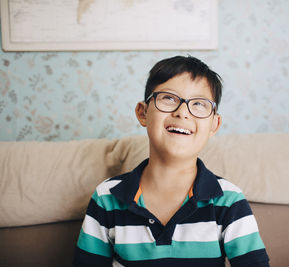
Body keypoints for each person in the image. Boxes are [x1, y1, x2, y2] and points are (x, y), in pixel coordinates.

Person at [73, 55, 270, 266]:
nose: (182, 112)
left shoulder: (229, 201)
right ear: (143, 113)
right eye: (169, 98)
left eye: (199, 104)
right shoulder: (107, 197)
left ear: (214, 124)